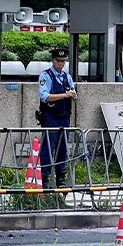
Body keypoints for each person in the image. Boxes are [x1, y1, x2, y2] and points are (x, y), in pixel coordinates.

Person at [37, 47, 77, 189]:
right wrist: (65, 95)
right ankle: (45, 178)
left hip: (64, 117)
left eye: (63, 61)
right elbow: (45, 96)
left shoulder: (67, 76)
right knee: (48, 148)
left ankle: (61, 178)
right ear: (53, 60)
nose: (60, 63)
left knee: (63, 149)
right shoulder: (46, 76)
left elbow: (73, 91)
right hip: (50, 117)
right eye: (58, 61)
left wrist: (72, 95)